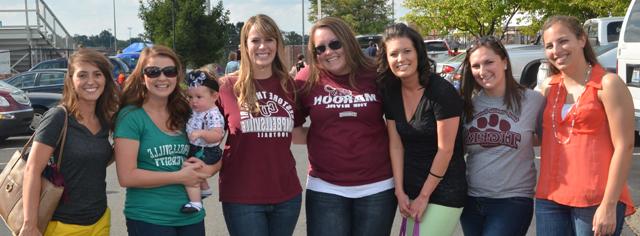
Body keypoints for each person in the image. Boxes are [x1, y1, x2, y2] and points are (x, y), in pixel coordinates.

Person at [294, 17, 396, 236]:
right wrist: (325, 137)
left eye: (335, 44)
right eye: (319, 48)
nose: (328, 52)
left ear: (348, 41)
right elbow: (293, 131)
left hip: (377, 187)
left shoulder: (376, 73)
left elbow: (399, 124)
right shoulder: (306, 79)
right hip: (325, 187)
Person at [536, 15, 636, 236]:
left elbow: (625, 146)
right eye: (549, 46)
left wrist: (609, 205)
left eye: (563, 41)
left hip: (595, 200)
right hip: (550, 198)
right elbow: (532, 134)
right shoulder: (548, 87)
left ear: (581, 39)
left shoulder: (607, 84)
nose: (556, 50)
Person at [114, 45, 216, 236]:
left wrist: (208, 169)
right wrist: (178, 177)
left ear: (177, 76)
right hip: (149, 218)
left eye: (169, 71)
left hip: (191, 216)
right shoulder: (131, 117)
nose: (162, 78)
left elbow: (214, 149)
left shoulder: (187, 112)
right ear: (142, 78)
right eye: (153, 72)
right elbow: (126, 176)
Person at [217, 14, 302, 236]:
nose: (262, 46)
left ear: (277, 44)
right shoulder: (227, 87)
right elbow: (209, 133)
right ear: (244, 46)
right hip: (242, 197)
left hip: (287, 195)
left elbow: (303, 130)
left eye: (269, 39)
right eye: (255, 40)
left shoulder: (291, 86)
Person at [377, 23, 466, 236]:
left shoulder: (441, 92)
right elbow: (396, 146)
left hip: (444, 190)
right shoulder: (390, 92)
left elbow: (445, 150)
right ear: (386, 59)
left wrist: (424, 196)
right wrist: (399, 191)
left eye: (407, 51)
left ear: (418, 52)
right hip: (410, 189)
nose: (401, 59)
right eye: (394, 54)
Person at [20, 48, 119, 236]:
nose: (91, 81)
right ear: (72, 81)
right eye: (82, 75)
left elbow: (97, 160)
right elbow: (32, 170)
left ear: (105, 79)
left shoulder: (105, 119)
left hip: (100, 219)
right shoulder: (59, 117)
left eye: (97, 74)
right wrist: (30, 224)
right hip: (63, 225)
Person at [458, 36, 545, 236]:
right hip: (471, 200)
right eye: (476, 66)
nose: (482, 71)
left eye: (489, 62)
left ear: (504, 61)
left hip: (512, 201)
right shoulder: (467, 105)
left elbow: (546, 140)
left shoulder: (533, 101)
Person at [180, 70, 225, 214]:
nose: (194, 101)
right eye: (190, 97)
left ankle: (196, 202)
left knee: (189, 171)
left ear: (215, 96)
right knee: (191, 164)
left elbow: (217, 135)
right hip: (197, 148)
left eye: (199, 97)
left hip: (207, 151)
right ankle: (204, 189)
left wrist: (201, 133)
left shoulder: (212, 114)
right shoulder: (197, 111)